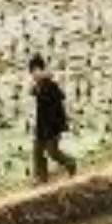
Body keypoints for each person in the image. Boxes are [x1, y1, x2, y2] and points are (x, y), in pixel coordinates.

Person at [30, 55, 78, 184]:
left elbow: (58, 105)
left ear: (41, 70)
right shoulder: (39, 86)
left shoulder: (50, 86)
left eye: (36, 71)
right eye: (32, 72)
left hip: (52, 126)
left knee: (52, 152)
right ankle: (42, 177)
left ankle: (70, 163)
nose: (34, 75)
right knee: (37, 150)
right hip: (42, 126)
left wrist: (58, 126)